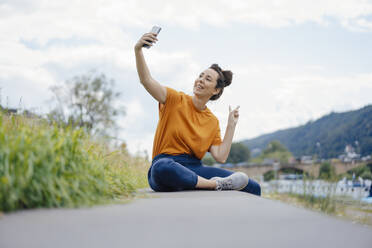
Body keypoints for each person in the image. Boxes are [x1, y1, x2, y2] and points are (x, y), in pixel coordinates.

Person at [134, 31, 261, 196]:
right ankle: (213, 185)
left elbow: (220, 157)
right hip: (167, 164)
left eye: (208, 79)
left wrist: (231, 126)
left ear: (216, 90)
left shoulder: (212, 121)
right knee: (161, 168)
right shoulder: (174, 99)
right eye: (200, 76)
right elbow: (146, 80)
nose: (200, 80)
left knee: (253, 187)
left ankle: (204, 184)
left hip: (195, 168)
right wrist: (138, 50)